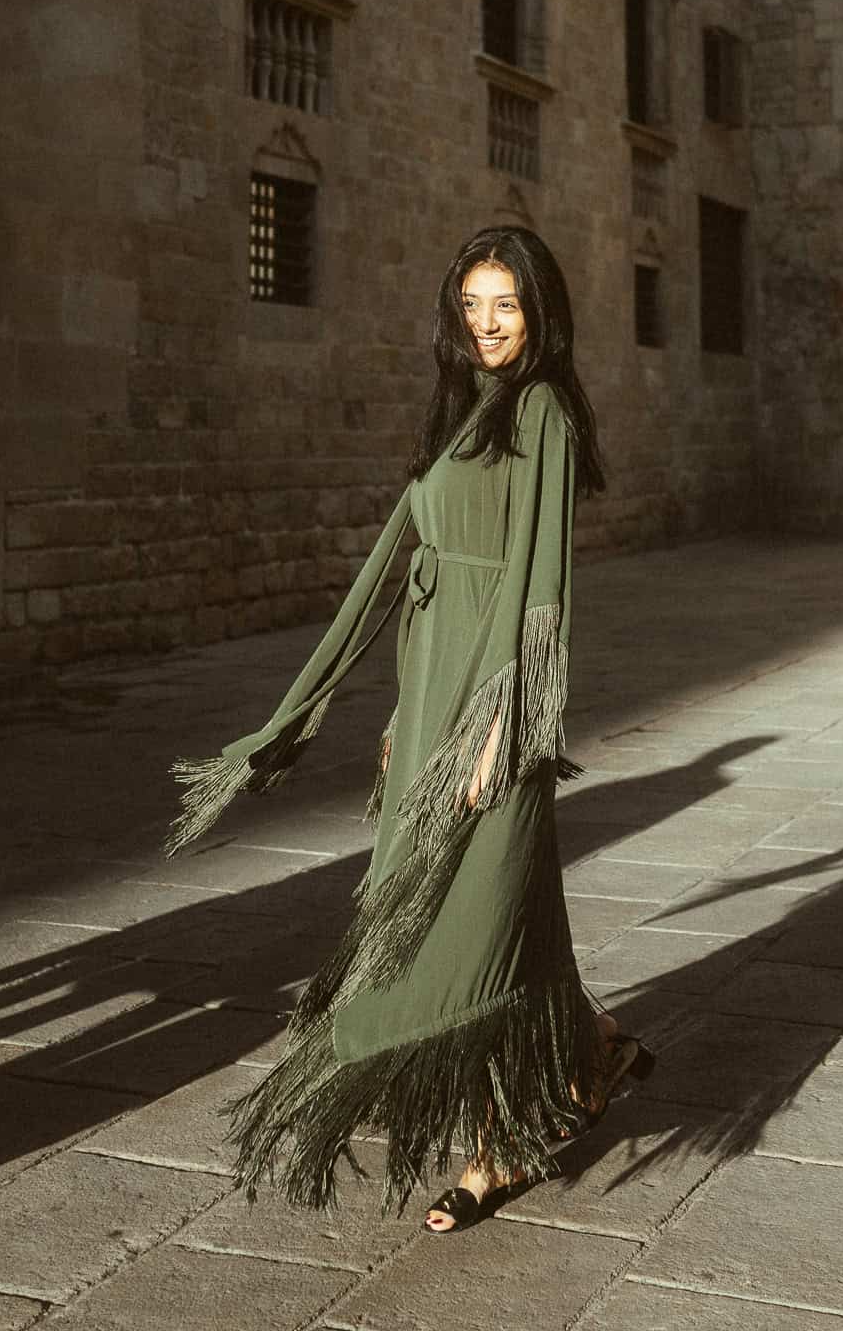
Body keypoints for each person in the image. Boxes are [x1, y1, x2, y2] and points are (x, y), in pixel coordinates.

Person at [166, 225, 653, 1231]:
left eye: (504, 306)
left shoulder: (548, 412)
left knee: (472, 922)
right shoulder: (467, 406)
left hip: (496, 708)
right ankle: (593, 1045)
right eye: (472, 305)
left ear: (540, 311)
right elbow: (427, 588)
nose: (485, 324)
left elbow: (538, 589)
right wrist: (404, 710)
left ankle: (503, 1147)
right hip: (434, 693)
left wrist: (501, 725)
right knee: (500, 913)